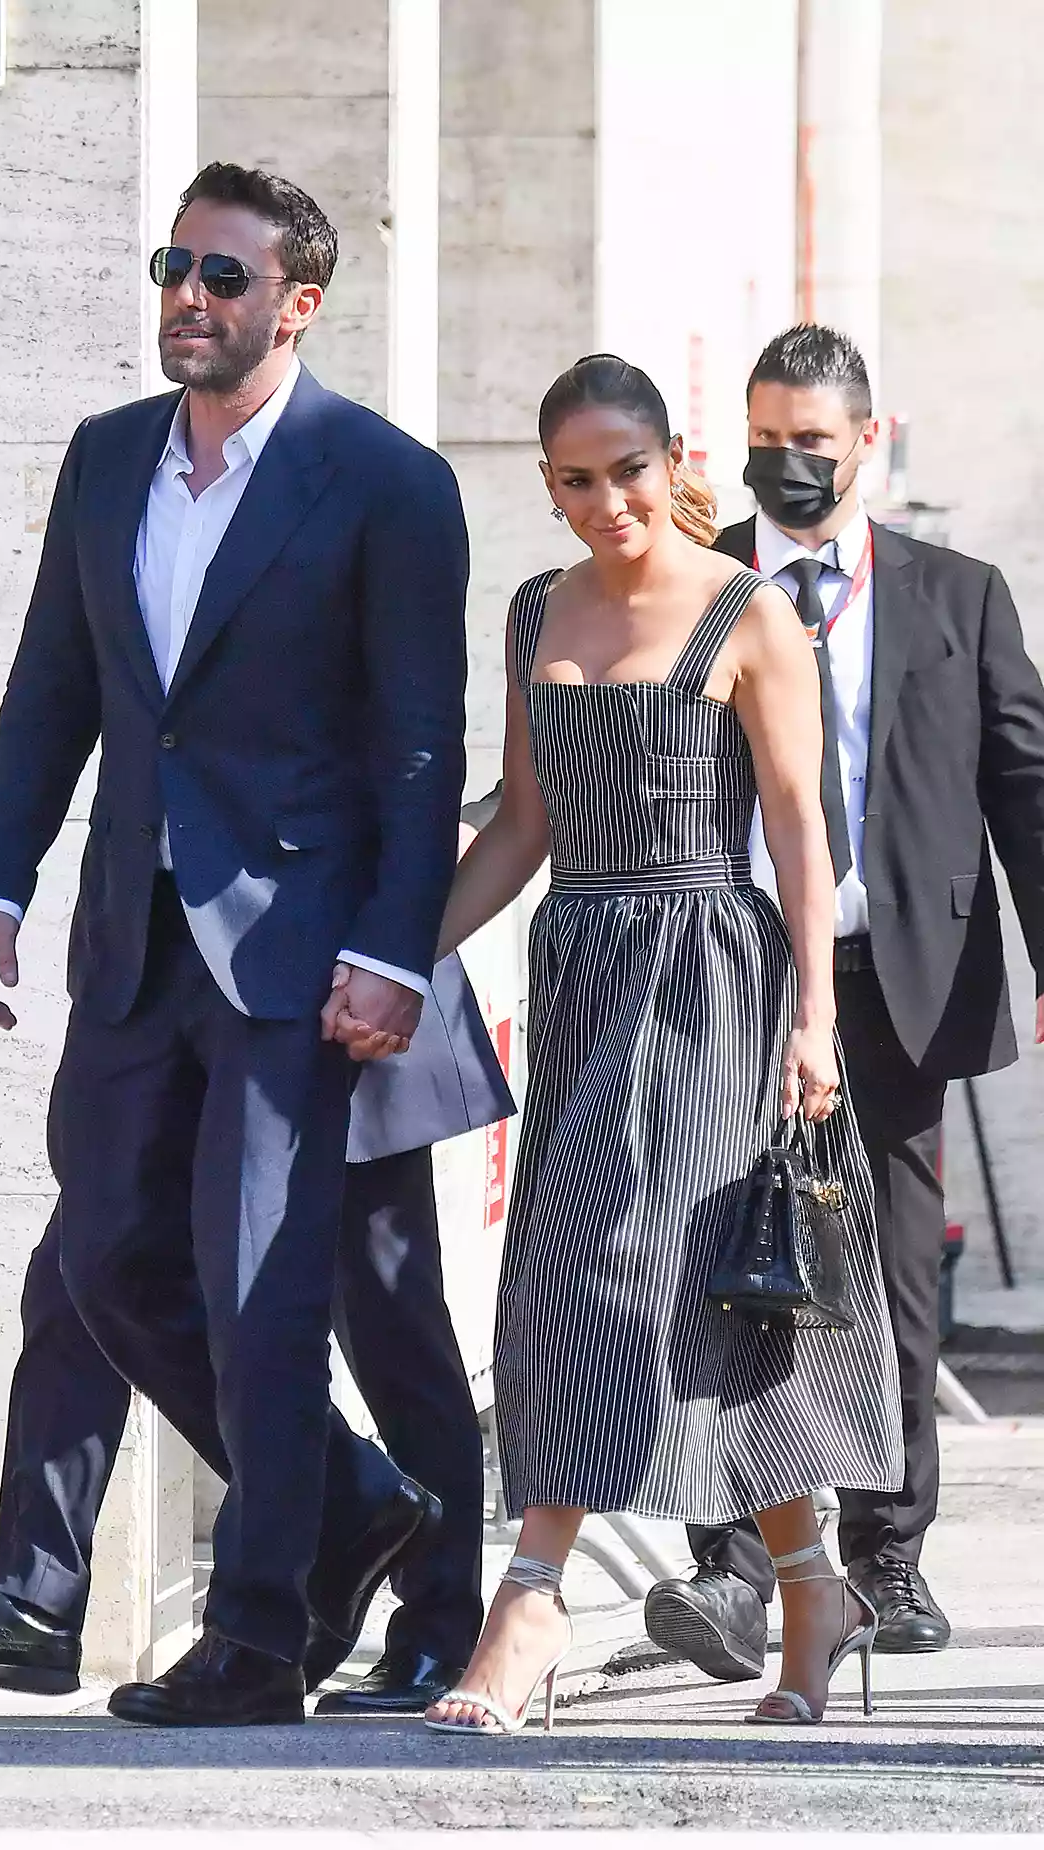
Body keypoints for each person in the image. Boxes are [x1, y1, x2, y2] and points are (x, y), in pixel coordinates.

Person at [0, 163, 469, 1727]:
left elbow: (420, 748)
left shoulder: (384, 479)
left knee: (263, 1290)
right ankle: (349, 1497)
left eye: (224, 276)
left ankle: (255, 1640)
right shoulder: (107, 460)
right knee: (104, 1252)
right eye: (176, 263)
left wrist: (392, 947)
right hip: (132, 935)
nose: (190, 293)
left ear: (297, 304)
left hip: (300, 950)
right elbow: (55, 686)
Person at [422, 352, 903, 1734]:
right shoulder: (534, 612)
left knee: (651, 1274)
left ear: (673, 455)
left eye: (627, 469)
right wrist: (406, 960)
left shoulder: (751, 614)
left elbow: (806, 829)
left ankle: (530, 1599)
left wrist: (815, 1015)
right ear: (549, 484)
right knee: (604, 1278)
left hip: (712, 978)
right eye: (574, 480)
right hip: (580, 964)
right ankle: (810, 1580)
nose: (605, 501)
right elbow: (520, 824)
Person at [642, 323, 1044, 1677]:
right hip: (726, 965)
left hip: (892, 977)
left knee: (888, 1258)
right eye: (769, 440)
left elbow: (1024, 787)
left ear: (867, 439)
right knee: (715, 1246)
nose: (791, 463)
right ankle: (733, 1563)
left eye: (814, 441)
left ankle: (886, 1555)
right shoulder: (697, 587)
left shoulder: (957, 595)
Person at [0, 951, 514, 1716]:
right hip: (189, 1008)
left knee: (387, 1319)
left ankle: (435, 1629)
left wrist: (388, 957)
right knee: (83, 1275)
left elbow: (421, 836)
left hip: (345, 995)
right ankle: (37, 1598)